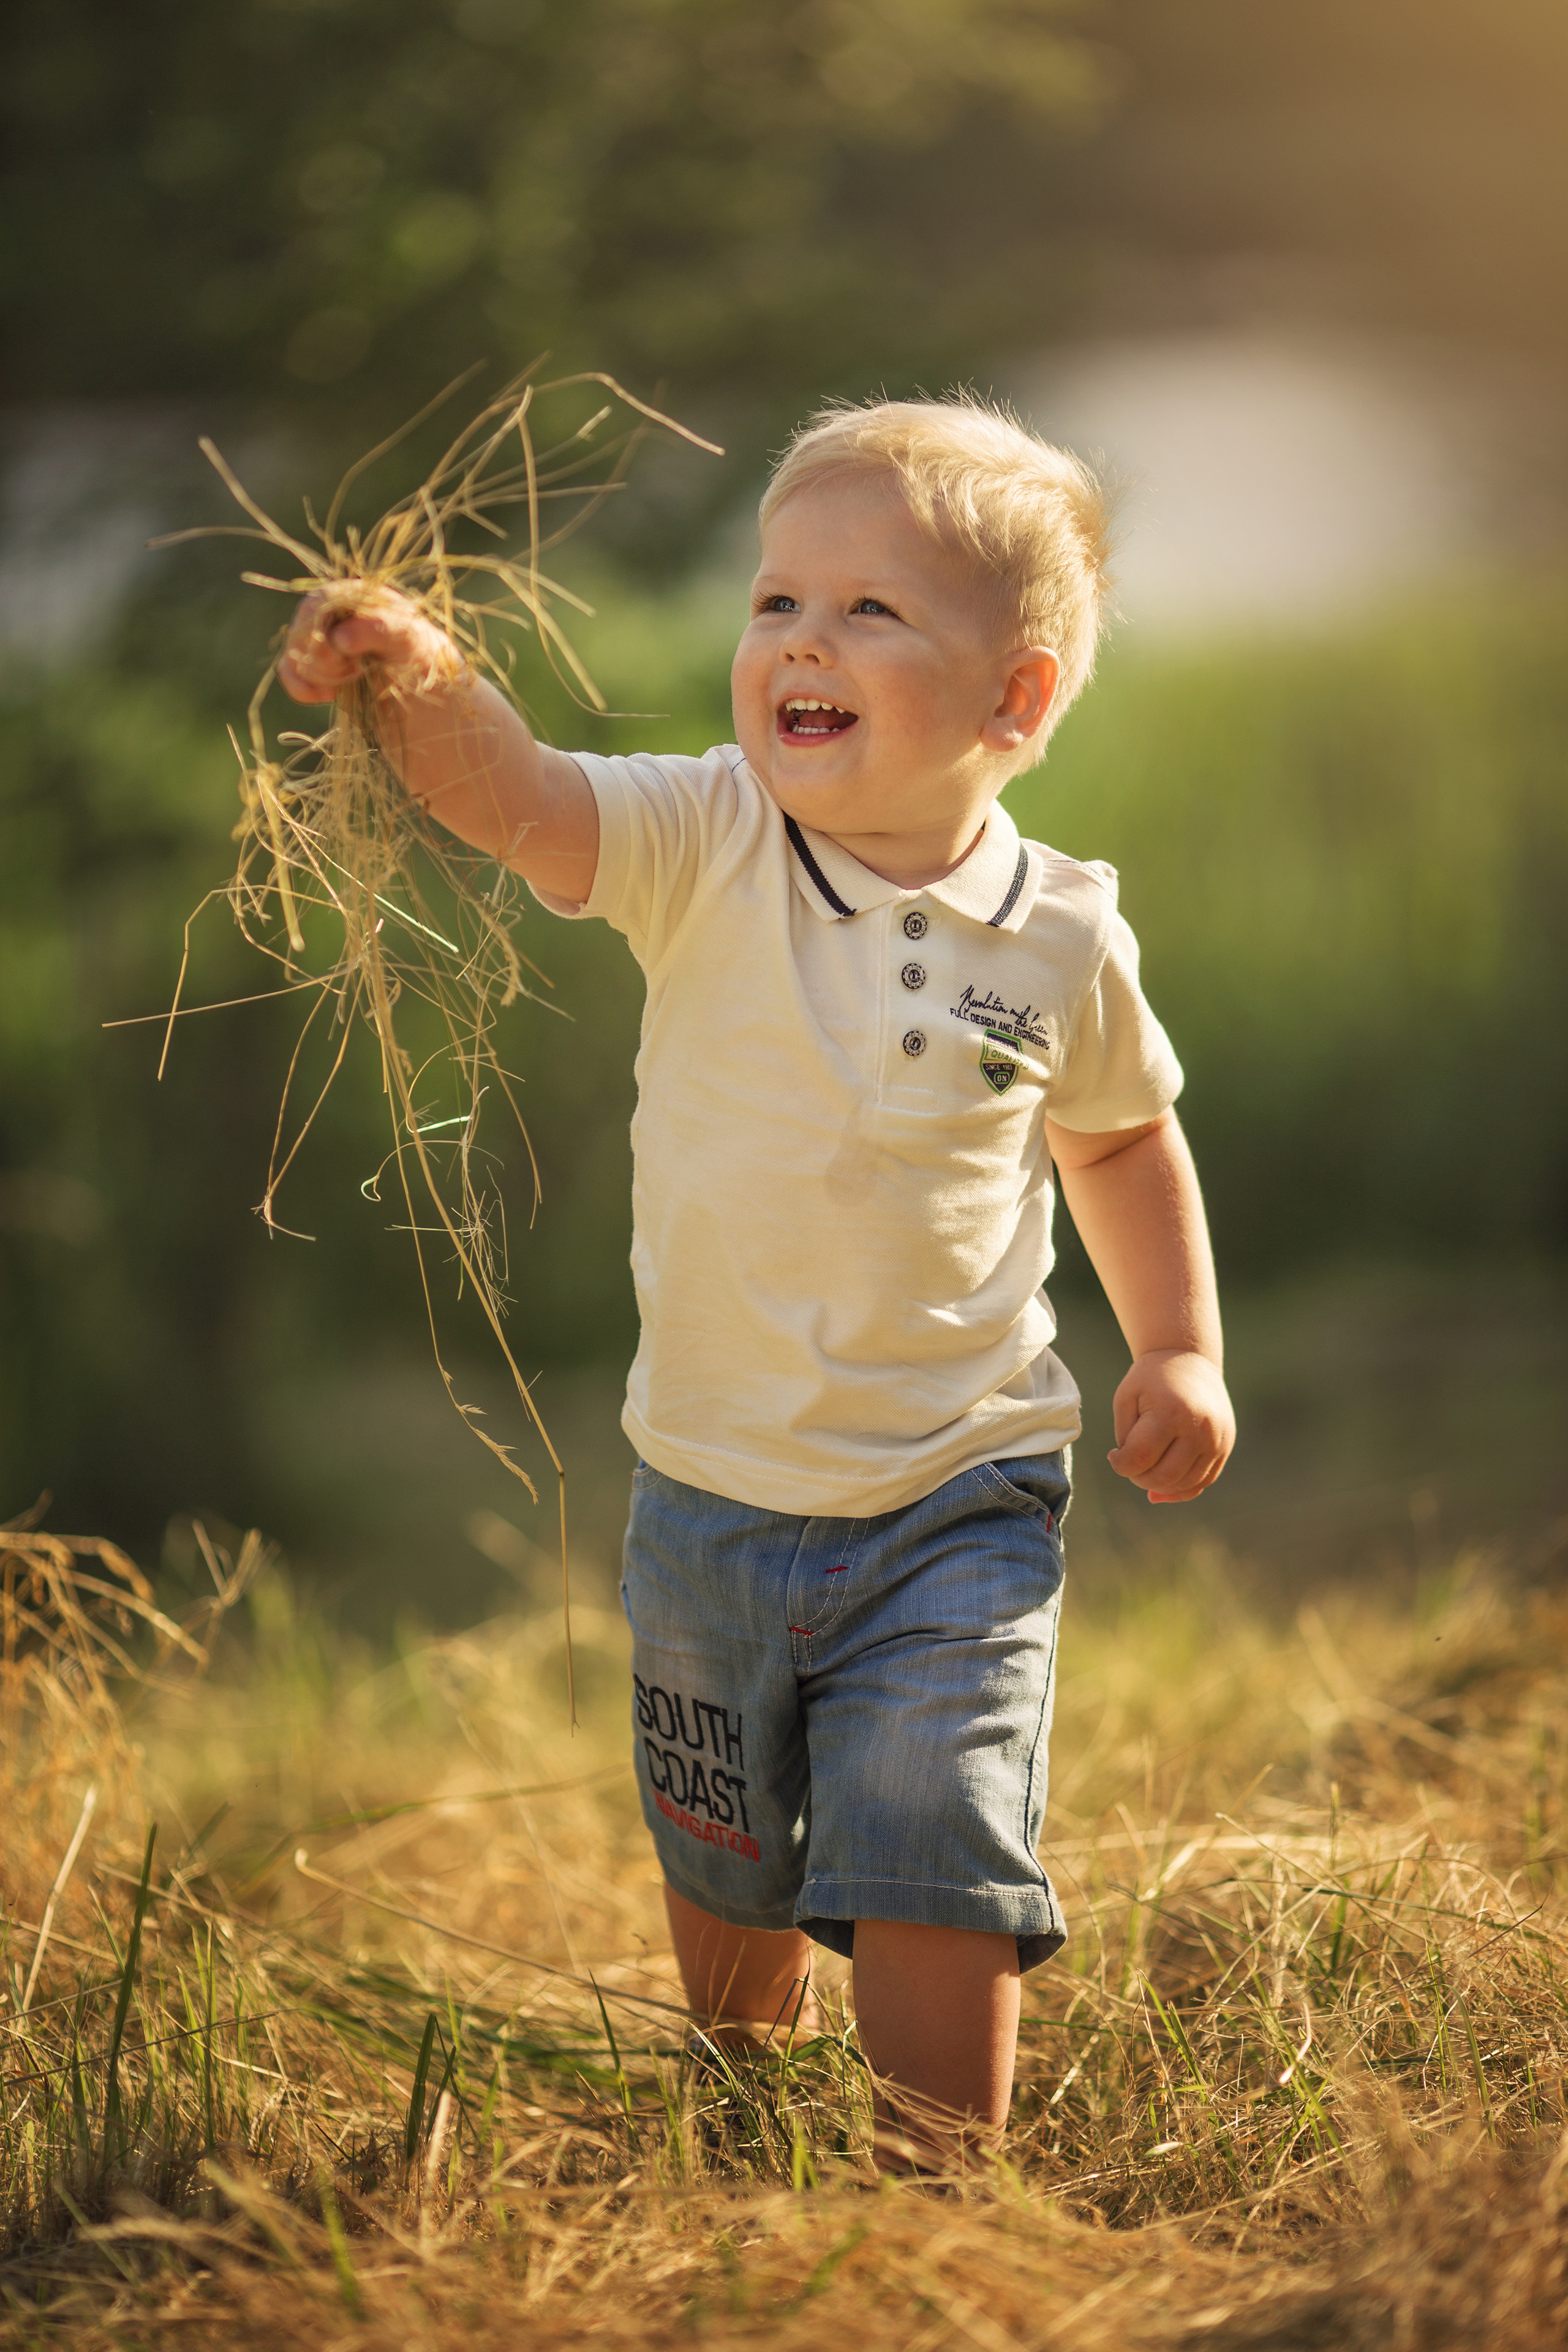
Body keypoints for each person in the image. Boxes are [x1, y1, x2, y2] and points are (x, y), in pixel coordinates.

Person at [279, 395, 1235, 2168]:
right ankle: (741, 2118)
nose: (802, 637)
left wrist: (1177, 1345)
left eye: (873, 610)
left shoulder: (1058, 932)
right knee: (721, 1843)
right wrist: (415, 677)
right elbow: (526, 802)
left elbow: (1118, 1143)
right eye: (777, 600)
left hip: (958, 1491)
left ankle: (935, 2192)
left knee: (934, 1835)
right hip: (711, 1490)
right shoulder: (705, 839)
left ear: (1014, 701)